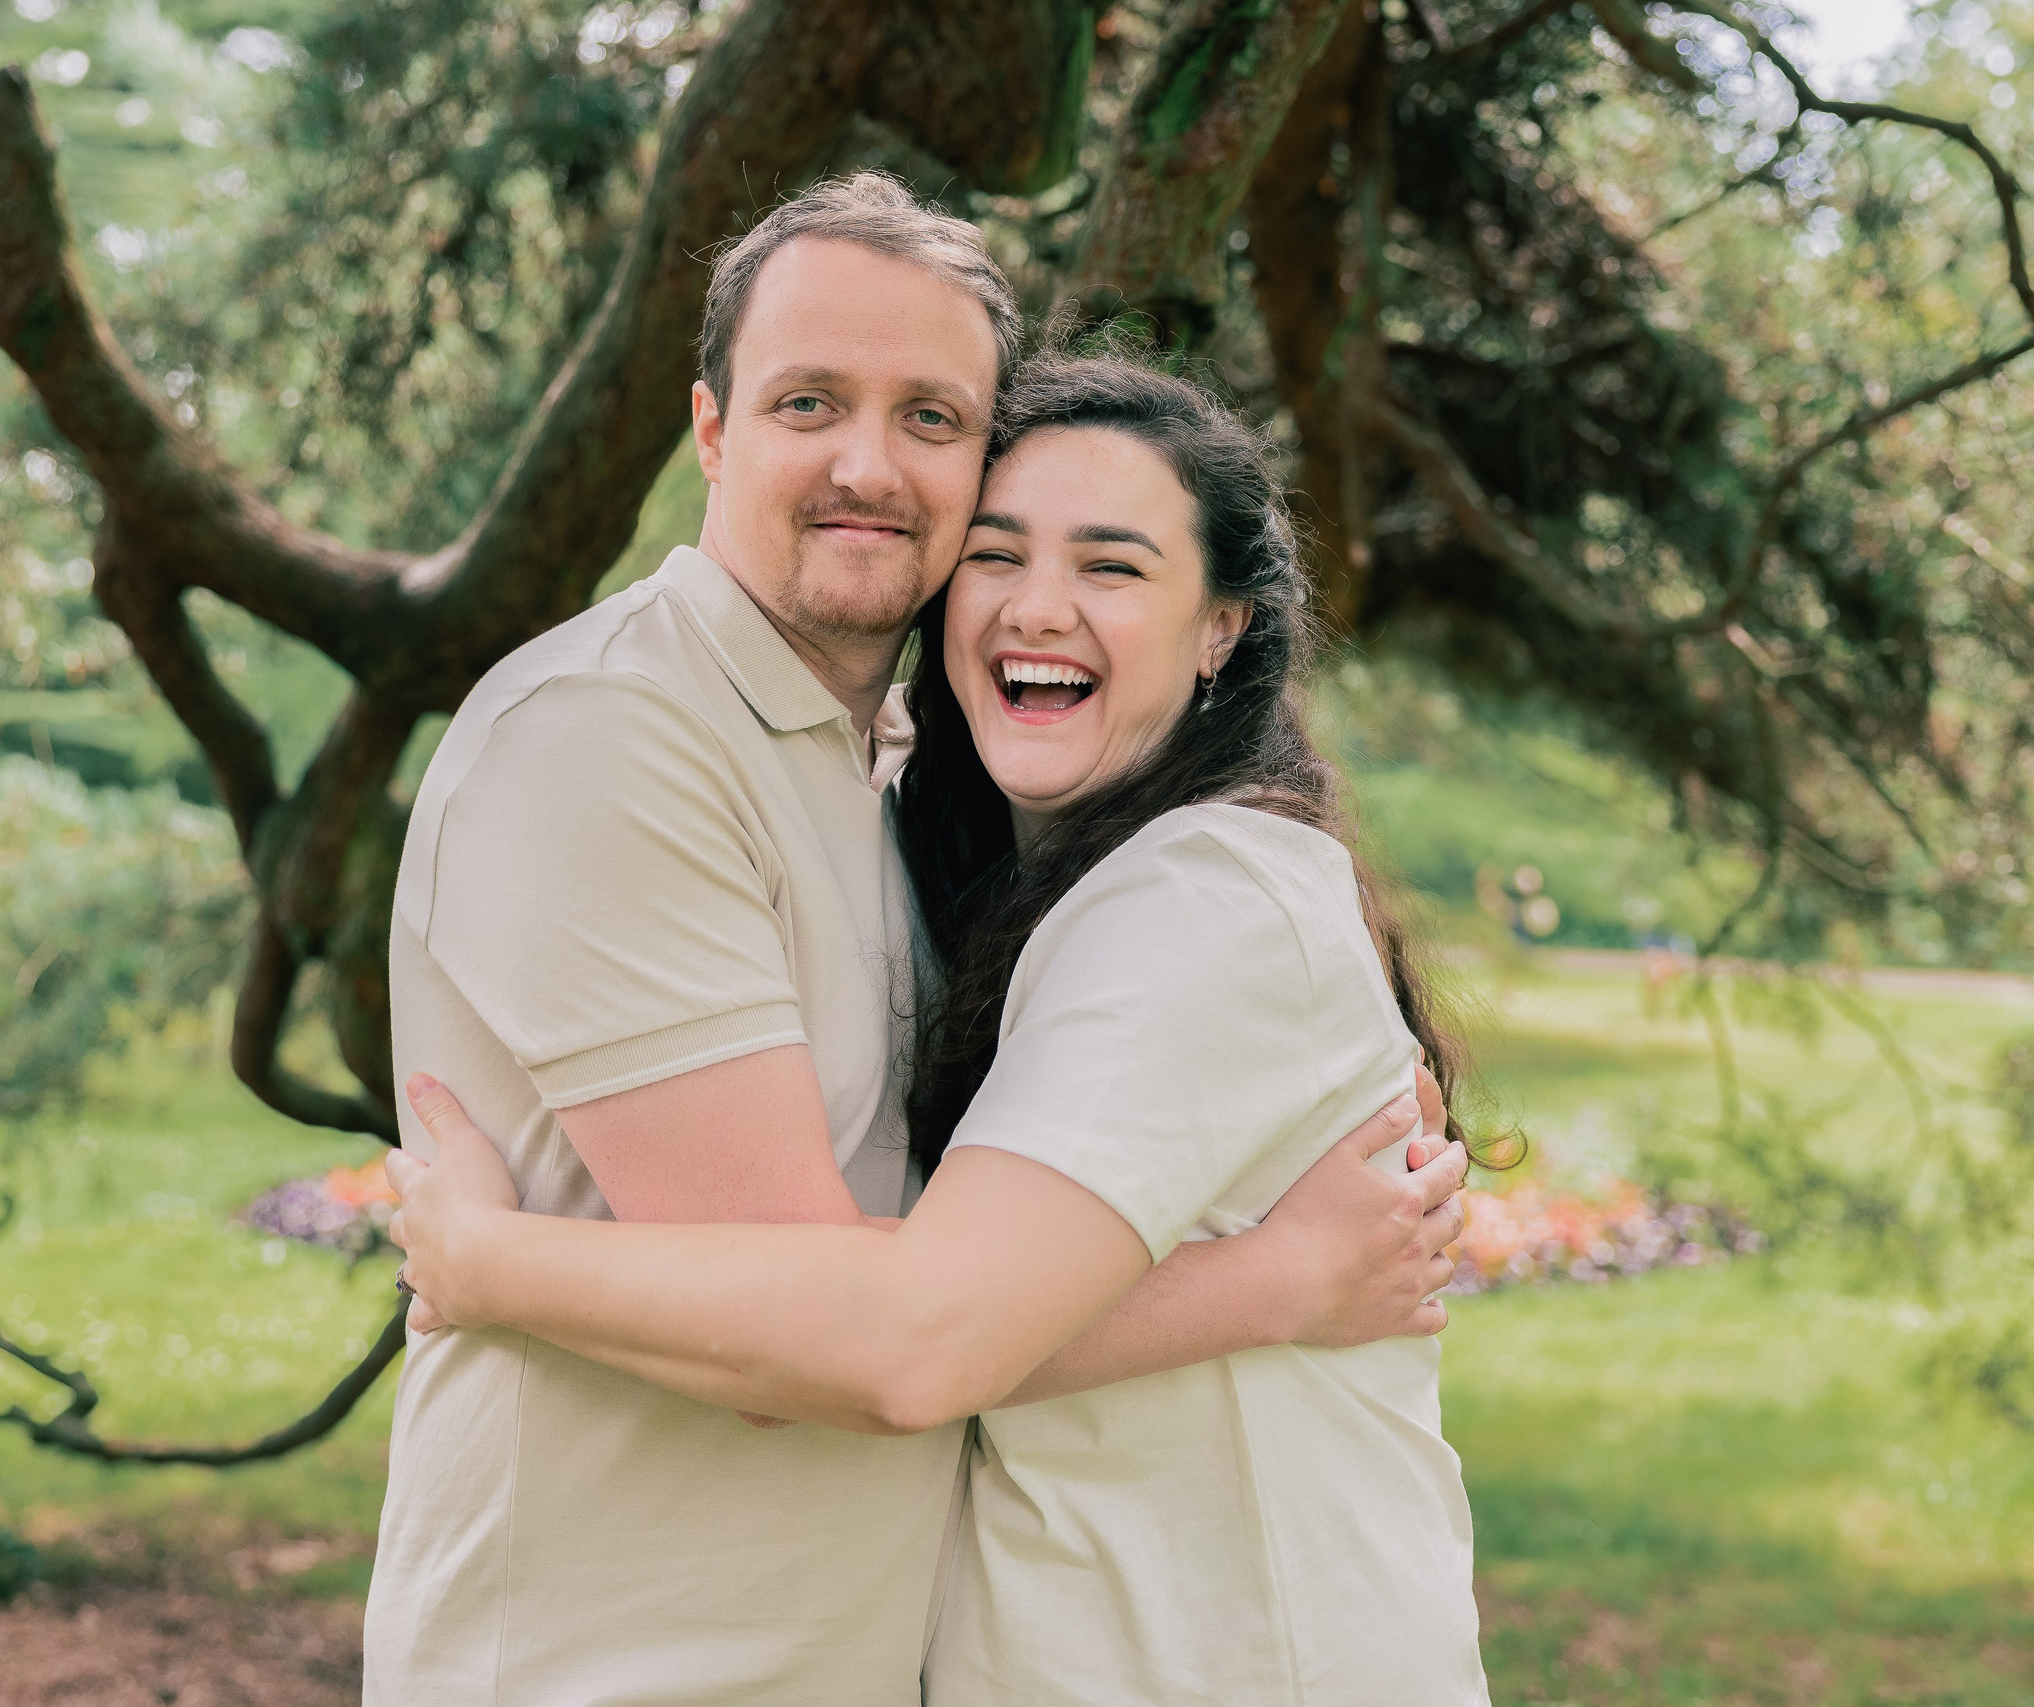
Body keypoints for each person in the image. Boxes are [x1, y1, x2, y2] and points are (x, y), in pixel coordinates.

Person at [362, 173, 1472, 1705]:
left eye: (933, 419)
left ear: (1224, 625)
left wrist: (496, 1261)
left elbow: (911, 1323)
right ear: (712, 431)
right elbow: (852, 1340)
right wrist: (1279, 1281)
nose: (868, 465)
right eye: (809, 401)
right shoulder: (611, 737)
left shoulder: (962, 812)